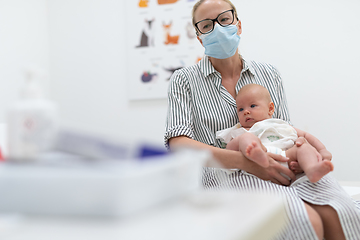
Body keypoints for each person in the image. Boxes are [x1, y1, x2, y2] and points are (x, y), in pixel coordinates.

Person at [164, 0, 360, 239]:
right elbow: (179, 145)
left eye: (224, 19)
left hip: (279, 160)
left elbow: (285, 130)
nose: (217, 28)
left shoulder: (269, 73)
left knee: (342, 211)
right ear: (198, 36)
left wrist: (310, 153)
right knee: (302, 219)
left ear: (238, 24)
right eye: (206, 25)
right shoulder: (184, 80)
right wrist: (245, 161)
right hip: (226, 174)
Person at [216, 84, 334, 183]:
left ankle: (312, 170)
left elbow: (306, 136)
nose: (246, 112)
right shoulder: (241, 130)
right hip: (255, 166)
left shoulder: (280, 124)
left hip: (287, 157)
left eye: (253, 106)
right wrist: (241, 141)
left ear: (270, 109)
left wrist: (322, 150)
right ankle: (257, 153)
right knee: (246, 138)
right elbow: (229, 151)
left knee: (303, 147)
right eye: (240, 109)